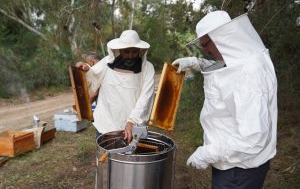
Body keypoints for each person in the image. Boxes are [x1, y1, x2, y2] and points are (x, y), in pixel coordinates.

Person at [172, 11, 277, 189]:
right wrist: (194, 62)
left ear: (221, 38)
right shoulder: (243, 57)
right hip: (232, 161)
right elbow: (224, 70)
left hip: (239, 168)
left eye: (206, 44)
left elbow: (253, 138)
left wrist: (208, 153)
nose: (205, 50)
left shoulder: (249, 75)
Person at [76, 30, 155, 141]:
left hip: (132, 127)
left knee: (129, 158)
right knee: (104, 157)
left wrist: (132, 121)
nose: (131, 56)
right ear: (120, 50)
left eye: (134, 52)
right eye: (127, 52)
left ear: (140, 50)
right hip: (106, 123)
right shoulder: (106, 62)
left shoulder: (147, 68)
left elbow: (146, 97)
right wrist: (86, 69)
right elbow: (93, 78)